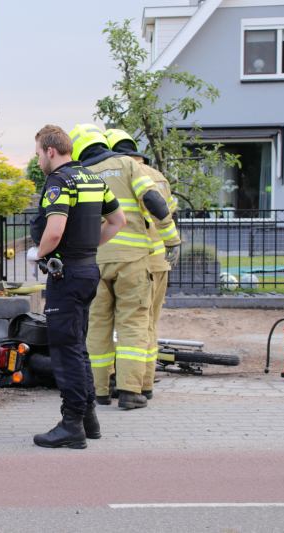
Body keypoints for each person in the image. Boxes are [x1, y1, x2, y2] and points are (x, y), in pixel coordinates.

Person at [26, 125, 125, 449]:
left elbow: (53, 232)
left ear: (50, 151)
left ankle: (71, 426)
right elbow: (118, 221)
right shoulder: (95, 180)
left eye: (39, 152)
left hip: (65, 276)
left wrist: (36, 253)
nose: (39, 158)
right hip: (87, 271)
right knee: (77, 347)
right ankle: (88, 419)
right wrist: (88, 248)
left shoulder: (59, 181)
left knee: (64, 352)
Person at [71, 124, 175, 409]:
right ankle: (134, 389)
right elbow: (157, 206)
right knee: (137, 324)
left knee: (97, 325)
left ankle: (99, 391)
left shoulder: (79, 174)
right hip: (137, 259)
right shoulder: (137, 169)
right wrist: (172, 241)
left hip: (94, 259)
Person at [105, 129, 181, 401]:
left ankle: (115, 384)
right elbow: (166, 212)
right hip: (158, 261)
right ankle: (143, 385)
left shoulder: (117, 173)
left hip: (126, 258)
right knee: (145, 324)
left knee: (113, 323)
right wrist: (173, 242)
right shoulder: (158, 176)